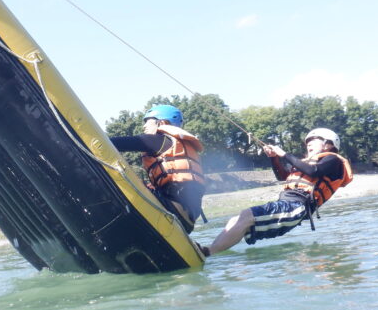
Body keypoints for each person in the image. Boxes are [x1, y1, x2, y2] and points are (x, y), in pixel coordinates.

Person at [202, 127, 353, 256]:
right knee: (235, 220)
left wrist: (284, 154)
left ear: (328, 145)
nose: (309, 144)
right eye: (307, 142)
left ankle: (208, 252)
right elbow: (284, 176)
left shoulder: (334, 161)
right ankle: (209, 251)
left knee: (246, 215)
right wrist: (274, 158)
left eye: (314, 140)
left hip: (296, 207)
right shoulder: (307, 162)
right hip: (286, 205)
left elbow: (314, 171)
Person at [110, 104, 205, 234]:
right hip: (186, 221)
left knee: (121, 179)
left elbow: (117, 143)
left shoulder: (162, 141)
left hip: (173, 209)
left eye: (147, 122)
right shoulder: (178, 145)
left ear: (161, 123)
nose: (144, 126)